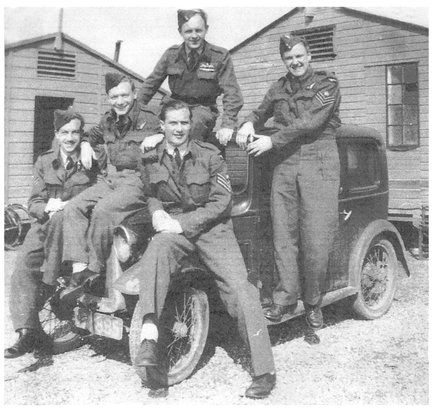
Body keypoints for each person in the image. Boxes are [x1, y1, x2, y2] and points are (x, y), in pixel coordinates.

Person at [133, 100, 276, 399]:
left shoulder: (210, 155)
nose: (179, 129)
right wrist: (157, 211)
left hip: (213, 231)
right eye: (172, 123)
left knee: (241, 290)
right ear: (162, 125)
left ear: (190, 124)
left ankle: (264, 371)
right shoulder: (150, 158)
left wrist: (181, 223)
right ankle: (149, 335)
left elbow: (220, 202)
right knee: (157, 248)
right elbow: (150, 193)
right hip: (174, 229)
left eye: (184, 122)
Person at [236, 34, 341, 328]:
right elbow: (261, 111)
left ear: (309, 56)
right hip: (285, 164)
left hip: (318, 161)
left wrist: (272, 141)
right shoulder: (279, 87)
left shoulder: (327, 84)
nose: (294, 62)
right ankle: (284, 300)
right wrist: (248, 122)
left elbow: (310, 123)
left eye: (298, 56)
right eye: (288, 58)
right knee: (283, 235)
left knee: (316, 238)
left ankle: (312, 303)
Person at [5, 109, 101, 358]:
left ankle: (53, 293)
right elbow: (33, 202)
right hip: (45, 225)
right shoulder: (44, 161)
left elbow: (102, 192)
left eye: (76, 133)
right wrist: (46, 206)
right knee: (24, 266)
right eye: (65, 133)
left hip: (78, 228)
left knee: (49, 265)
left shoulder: (91, 159)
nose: (70, 138)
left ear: (82, 134)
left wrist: (90, 145)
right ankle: (26, 332)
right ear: (56, 135)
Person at [61, 72, 161, 299]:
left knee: (103, 211)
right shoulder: (108, 119)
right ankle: (79, 269)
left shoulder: (152, 117)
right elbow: (90, 134)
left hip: (139, 180)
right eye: (114, 97)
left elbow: (180, 129)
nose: (120, 101)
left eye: (125, 95)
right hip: (113, 179)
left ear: (134, 94)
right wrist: (85, 144)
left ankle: (93, 270)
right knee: (73, 207)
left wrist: (160, 136)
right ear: (108, 98)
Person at [137, 8, 243, 150]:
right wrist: (134, 111)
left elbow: (232, 93)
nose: (194, 36)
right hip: (173, 105)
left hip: (202, 109)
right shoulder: (171, 55)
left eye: (198, 30)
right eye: (188, 31)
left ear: (206, 29)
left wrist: (228, 124)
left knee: (188, 131)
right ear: (180, 31)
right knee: (146, 128)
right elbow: (150, 84)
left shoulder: (220, 56)